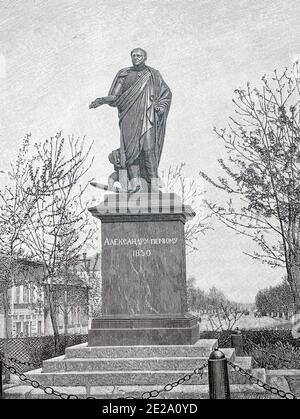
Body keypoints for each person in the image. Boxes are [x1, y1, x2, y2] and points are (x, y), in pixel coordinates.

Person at [90, 48, 172, 192]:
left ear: (145, 57)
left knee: (148, 149)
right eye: (133, 55)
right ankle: (135, 185)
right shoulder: (124, 74)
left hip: (148, 116)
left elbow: (166, 93)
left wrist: (161, 106)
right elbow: (115, 97)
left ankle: (153, 185)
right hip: (128, 117)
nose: (136, 58)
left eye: (139, 55)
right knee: (131, 153)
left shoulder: (153, 74)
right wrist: (102, 100)